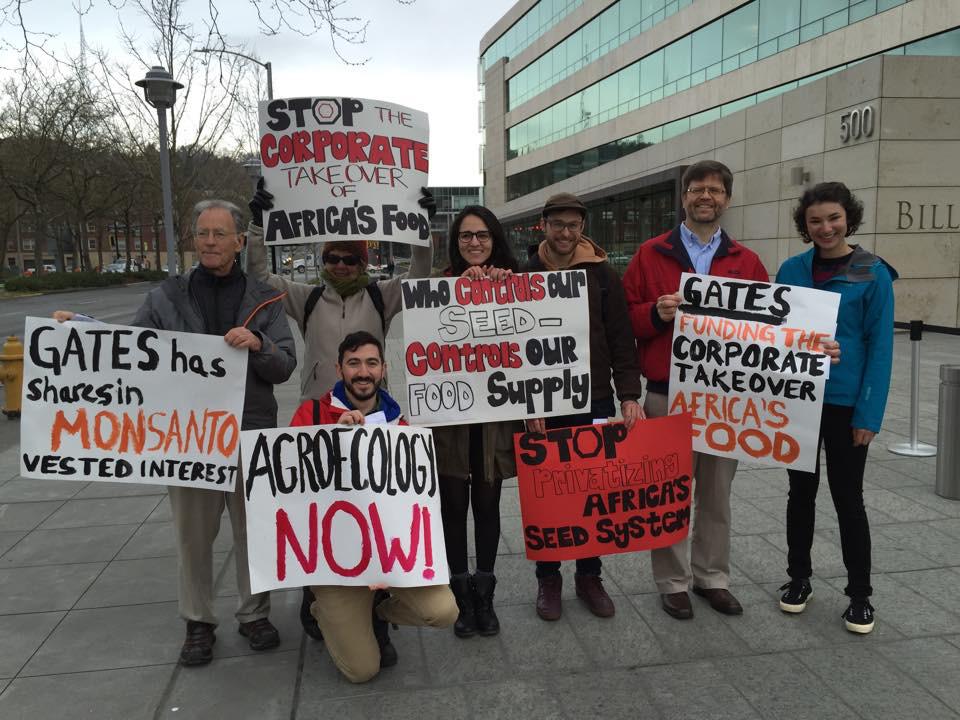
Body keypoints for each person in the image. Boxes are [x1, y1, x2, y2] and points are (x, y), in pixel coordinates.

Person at [57, 200, 297, 666]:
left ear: (237, 242)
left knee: (254, 533)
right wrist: (80, 332)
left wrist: (259, 344)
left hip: (249, 433)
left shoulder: (265, 298)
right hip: (187, 438)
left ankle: (254, 615)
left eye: (219, 234)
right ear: (194, 239)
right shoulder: (165, 297)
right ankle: (198, 621)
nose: (210, 241)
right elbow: (128, 350)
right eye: (203, 233)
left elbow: (284, 363)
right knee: (193, 536)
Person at [247, 180, 436, 638]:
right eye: (332, 257)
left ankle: (376, 609)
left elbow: (420, 278)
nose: (340, 265)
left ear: (364, 262)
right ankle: (319, 597)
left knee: (373, 508)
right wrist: (256, 227)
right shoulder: (306, 296)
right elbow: (259, 277)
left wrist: (423, 228)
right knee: (320, 508)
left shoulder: (381, 295)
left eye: (350, 258)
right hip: (318, 417)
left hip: (373, 417)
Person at [623, 160, 768, 621]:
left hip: (726, 397)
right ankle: (672, 581)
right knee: (668, 490)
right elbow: (624, 317)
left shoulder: (747, 261)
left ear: (727, 198)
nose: (706, 197)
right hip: (667, 392)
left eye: (716, 190)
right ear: (683, 196)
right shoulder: (651, 254)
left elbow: (770, 326)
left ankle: (712, 577)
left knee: (718, 491)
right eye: (697, 189)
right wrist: (654, 314)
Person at [289, 331, 458, 682]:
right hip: (335, 563)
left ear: (383, 369)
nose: (362, 372)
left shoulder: (403, 428)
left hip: (388, 555)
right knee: (362, 671)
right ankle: (321, 607)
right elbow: (288, 481)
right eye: (353, 363)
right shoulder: (311, 414)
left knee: (444, 612)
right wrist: (332, 439)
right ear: (339, 369)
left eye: (370, 363)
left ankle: (380, 611)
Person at [775, 182, 896, 634]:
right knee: (799, 494)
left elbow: (880, 348)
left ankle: (860, 595)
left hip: (847, 404)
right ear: (804, 226)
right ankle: (798, 579)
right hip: (798, 399)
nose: (825, 228)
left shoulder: (873, 272)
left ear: (849, 218)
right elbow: (775, 330)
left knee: (849, 499)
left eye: (833, 218)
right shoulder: (791, 268)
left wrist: (869, 415)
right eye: (815, 221)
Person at [524, 192, 644, 621]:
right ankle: (549, 577)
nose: (566, 233)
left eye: (574, 225)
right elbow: (514, 347)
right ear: (544, 225)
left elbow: (621, 337)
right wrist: (525, 403)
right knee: (547, 492)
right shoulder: (527, 273)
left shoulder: (603, 275)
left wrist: (629, 394)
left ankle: (589, 576)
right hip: (543, 401)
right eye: (558, 224)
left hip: (594, 396)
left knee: (594, 490)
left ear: (582, 228)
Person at [430, 206, 522, 639]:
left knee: (487, 507)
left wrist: (506, 291)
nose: (474, 243)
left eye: (482, 236)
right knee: (452, 509)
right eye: (466, 236)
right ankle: (459, 594)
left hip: (493, 423)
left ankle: (485, 594)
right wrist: (455, 291)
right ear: (455, 242)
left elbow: (530, 350)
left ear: (495, 239)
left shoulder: (515, 283)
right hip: (449, 421)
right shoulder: (437, 286)